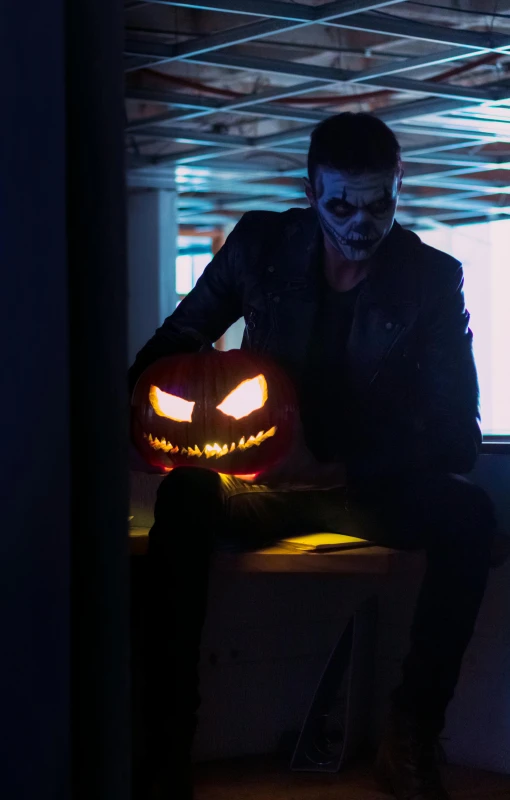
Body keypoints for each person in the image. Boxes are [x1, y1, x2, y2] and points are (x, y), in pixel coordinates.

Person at [129, 112, 497, 800]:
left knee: (470, 516)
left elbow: (459, 438)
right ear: (309, 190)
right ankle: (166, 746)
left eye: (379, 201)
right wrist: (168, 398)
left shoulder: (430, 279)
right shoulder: (258, 246)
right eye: (342, 204)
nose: (363, 222)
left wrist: (339, 467)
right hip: (258, 480)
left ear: (399, 184)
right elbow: (172, 342)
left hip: (362, 485)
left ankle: (411, 733)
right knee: (184, 498)